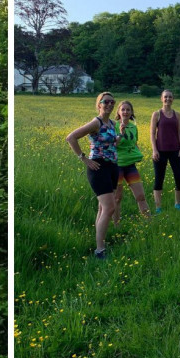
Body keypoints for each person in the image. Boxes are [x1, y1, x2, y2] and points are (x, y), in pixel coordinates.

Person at [66, 92, 119, 259]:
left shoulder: (111, 123)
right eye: (106, 102)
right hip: (98, 167)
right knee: (109, 208)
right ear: (99, 104)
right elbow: (71, 137)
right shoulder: (95, 122)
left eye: (112, 102)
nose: (109, 104)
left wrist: (120, 135)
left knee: (103, 208)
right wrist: (84, 158)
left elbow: (110, 142)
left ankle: (100, 242)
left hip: (112, 167)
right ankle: (100, 250)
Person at [113, 100, 152, 220]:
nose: (125, 112)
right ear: (119, 112)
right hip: (117, 165)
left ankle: (149, 222)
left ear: (131, 112)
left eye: (128, 110)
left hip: (131, 165)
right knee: (117, 198)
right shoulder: (113, 125)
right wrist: (120, 132)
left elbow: (134, 143)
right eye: (123, 109)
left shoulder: (134, 127)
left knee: (141, 196)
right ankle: (116, 225)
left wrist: (138, 154)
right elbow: (114, 144)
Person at [150, 89, 180, 212]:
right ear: (161, 98)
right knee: (159, 178)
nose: (168, 99)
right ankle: (158, 207)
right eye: (165, 97)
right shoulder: (157, 114)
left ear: (173, 99)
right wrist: (154, 150)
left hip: (176, 150)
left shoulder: (177, 114)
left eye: (170, 97)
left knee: (179, 178)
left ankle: (178, 204)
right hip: (160, 151)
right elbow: (152, 133)